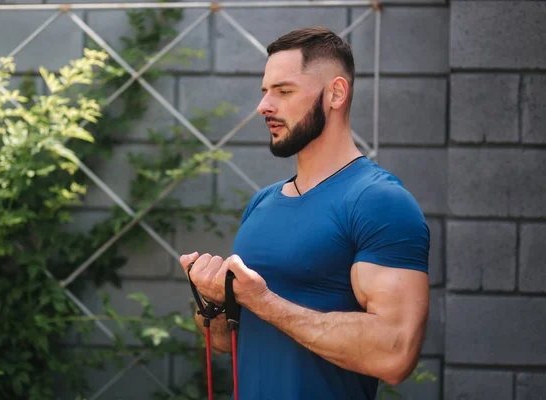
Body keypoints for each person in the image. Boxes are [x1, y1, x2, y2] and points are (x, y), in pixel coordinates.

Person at [179, 26, 430, 400]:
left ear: (336, 94)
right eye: (265, 91)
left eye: (284, 91)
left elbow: (395, 355)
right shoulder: (262, 204)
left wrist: (262, 301)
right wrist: (214, 299)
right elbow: (227, 342)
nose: (264, 106)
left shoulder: (380, 202)